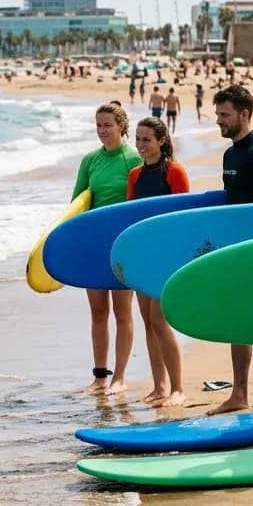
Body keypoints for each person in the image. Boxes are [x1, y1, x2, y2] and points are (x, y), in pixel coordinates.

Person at [209, 86, 253, 415]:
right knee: (237, 323)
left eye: (225, 114)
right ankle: (239, 393)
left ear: (244, 114)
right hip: (233, 250)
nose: (219, 120)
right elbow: (229, 203)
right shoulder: (230, 154)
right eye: (218, 114)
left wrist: (252, 253)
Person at [75, 102, 143, 395]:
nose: (102, 131)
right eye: (99, 125)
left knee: (122, 311)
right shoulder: (90, 160)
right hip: (94, 245)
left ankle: (121, 377)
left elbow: (140, 205)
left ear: (122, 127)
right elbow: (77, 203)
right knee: (98, 312)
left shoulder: (133, 159)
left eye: (108, 125)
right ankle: (100, 376)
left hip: (123, 244)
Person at [126, 117, 189, 408]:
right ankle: (159, 385)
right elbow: (130, 218)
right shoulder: (135, 176)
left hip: (167, 255)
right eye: (138, 139)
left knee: (159, 321)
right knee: (148, 323)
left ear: (162, 141)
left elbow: (184, 217)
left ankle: (178, 387)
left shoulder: (174, 171)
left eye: (146, 140)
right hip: (143, 255)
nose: (140, 145)